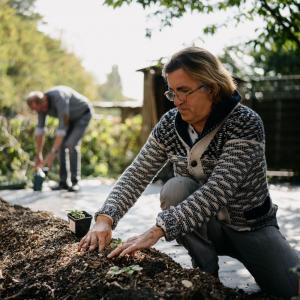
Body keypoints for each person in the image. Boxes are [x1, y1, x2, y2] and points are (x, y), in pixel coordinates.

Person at [78, 47, 299, 297]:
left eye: (184, 91)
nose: (176, 100)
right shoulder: (170, 125)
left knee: (292, 289)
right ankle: (206, 278)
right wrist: (105, 219)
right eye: (172, 92)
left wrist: (157, 230)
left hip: (252, 228)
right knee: (175, 189)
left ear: (211, 88)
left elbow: (218, 190)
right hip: (206, 228)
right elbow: (137, 172)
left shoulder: (244, 123)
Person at [26, 85, 92, 192]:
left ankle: (75, 182)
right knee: (60, 146)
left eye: (42, 108)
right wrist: (39, 155)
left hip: (82, 115)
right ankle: (63, 183)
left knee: (70, 144)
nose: (41, 111)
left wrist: (52, 153)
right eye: (37, 110)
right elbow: (40, 131)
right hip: (69, 119)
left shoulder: (59, 98)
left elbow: (62, 129)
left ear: (45, 100)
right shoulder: (40, 107)